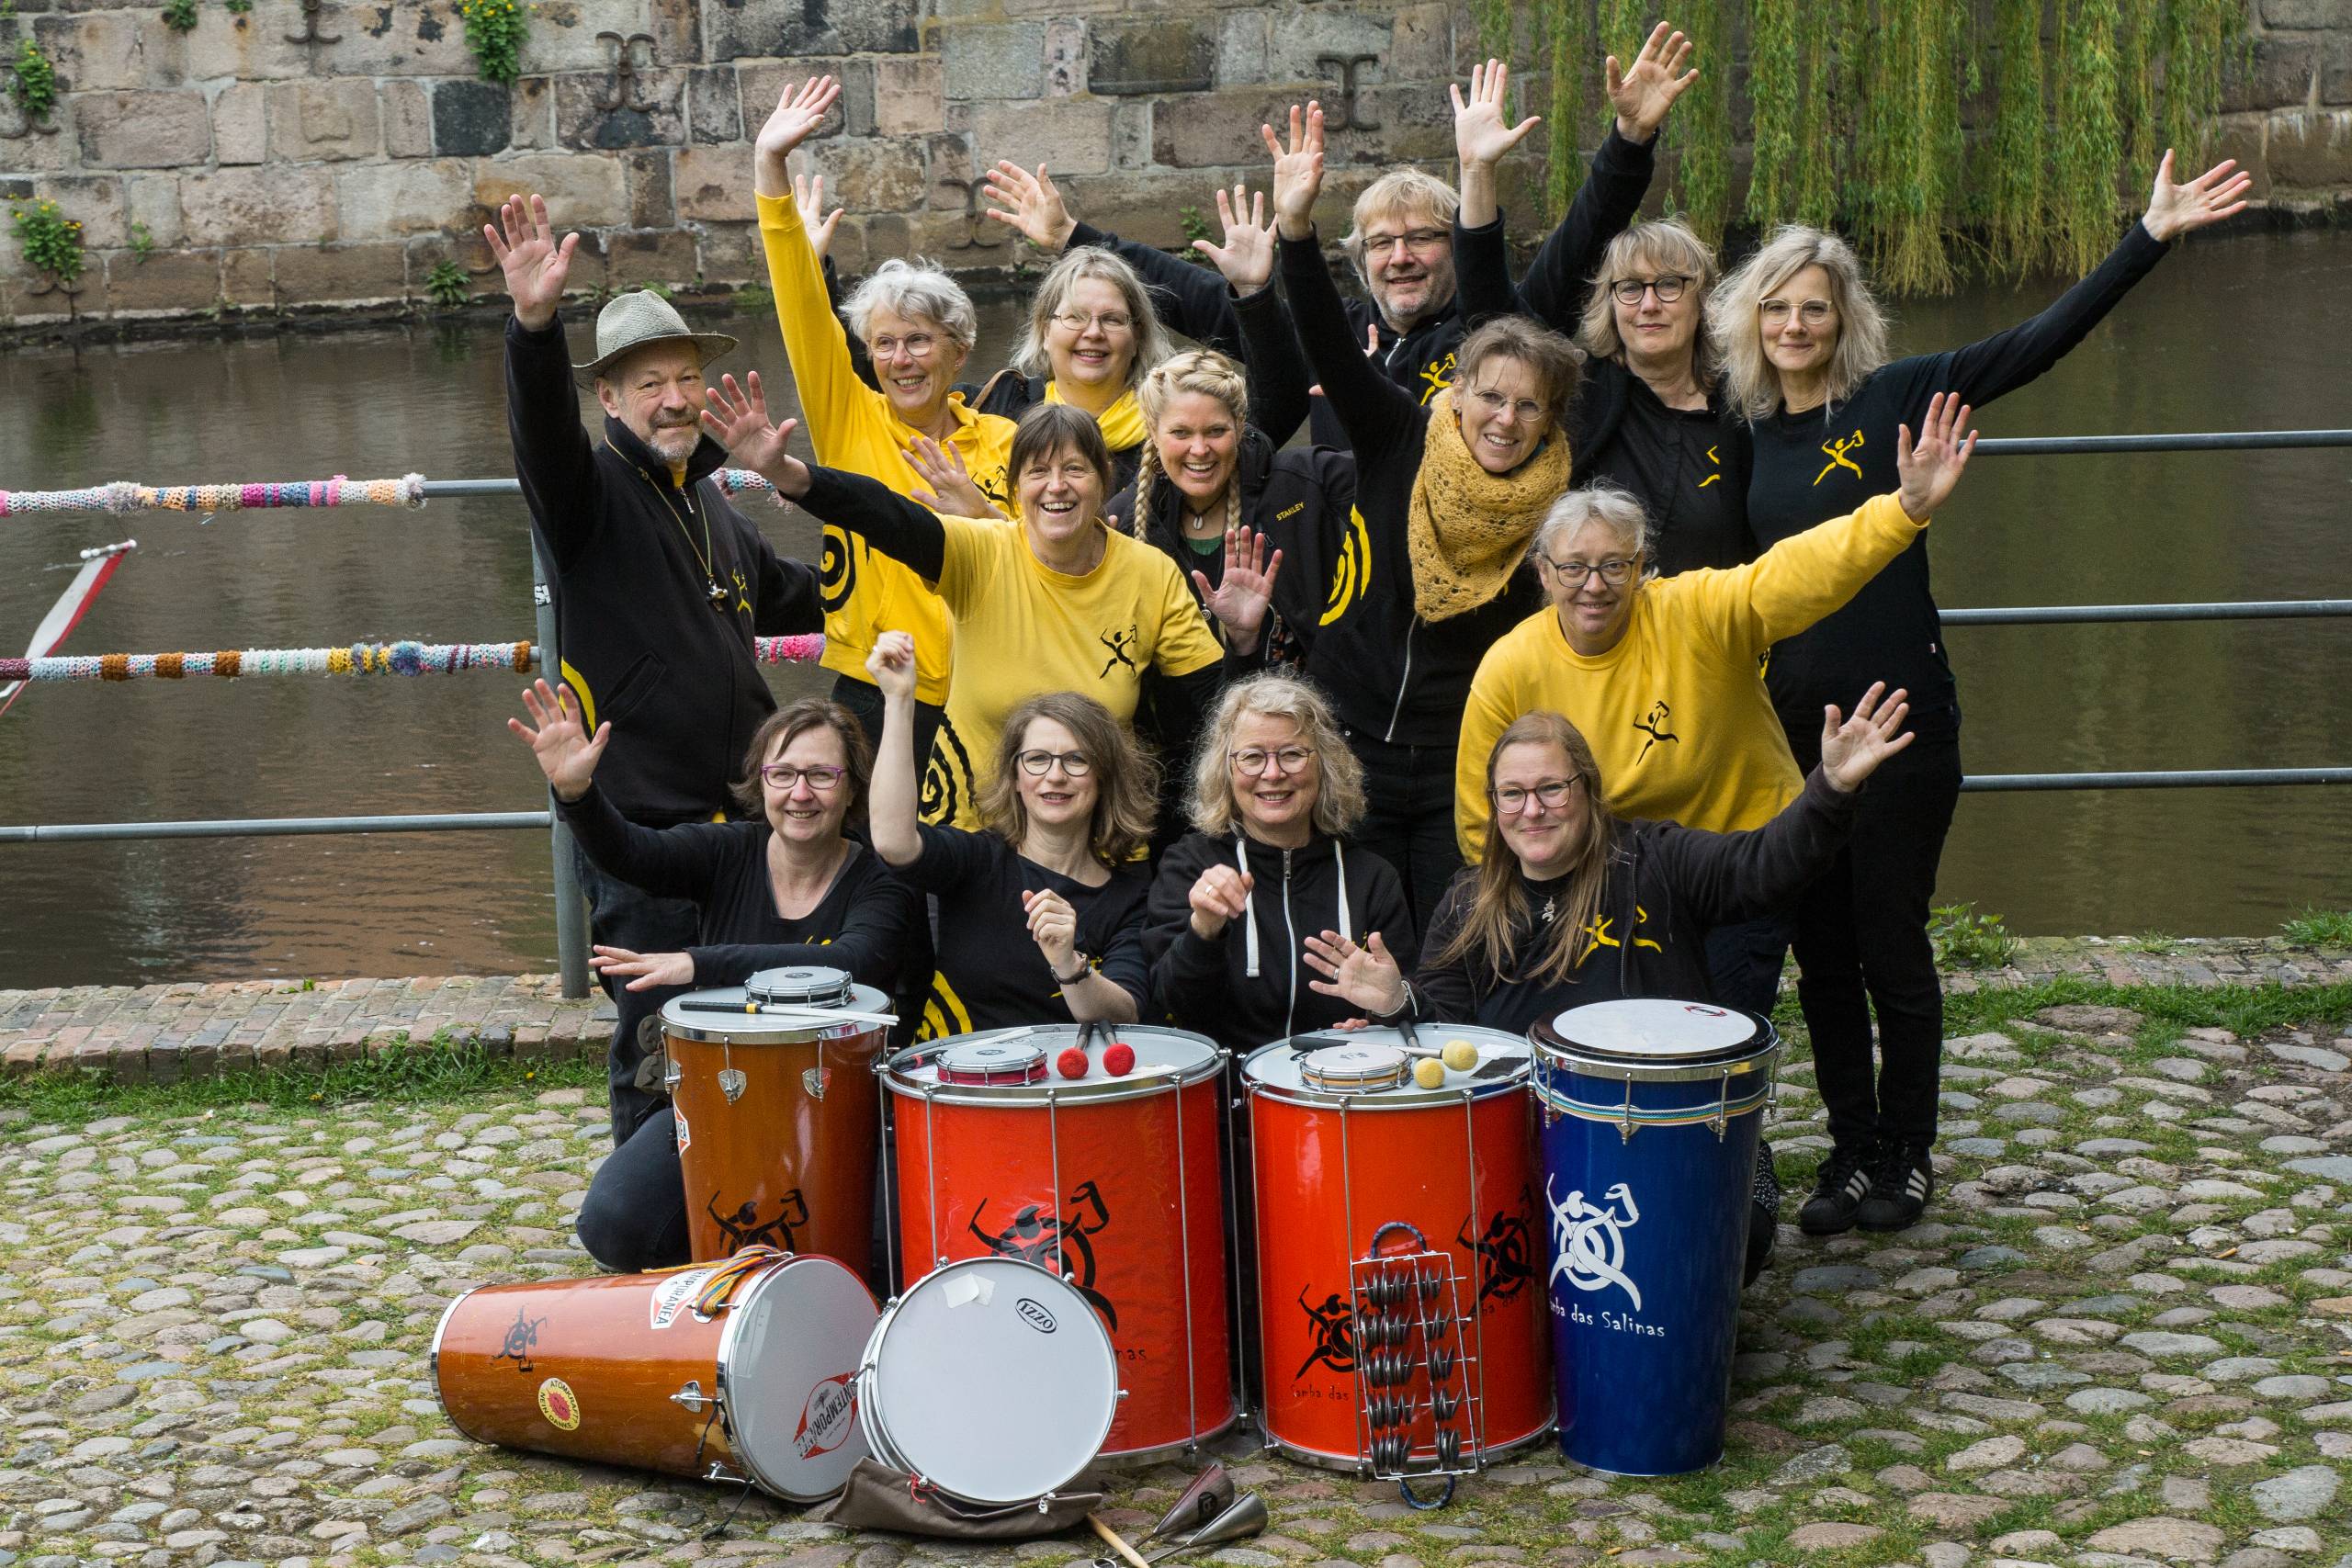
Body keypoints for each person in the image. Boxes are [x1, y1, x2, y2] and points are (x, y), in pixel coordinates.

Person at [1707, 152, 2252, 1235]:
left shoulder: (1898, 398)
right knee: (1821, 957)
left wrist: (2147, 237)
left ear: (1844, 318)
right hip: (1795, 738)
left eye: (1813, 307)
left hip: (1902, 719)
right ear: (1750, 322)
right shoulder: (1741, 434)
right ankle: (1847, 1153)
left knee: (1891, 944)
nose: (1794, 325)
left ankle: (1905, 1153)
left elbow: (2035, 344)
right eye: (1775, 308)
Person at [1303, 693, 1915, 1284]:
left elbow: (1763, 865)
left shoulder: (1658, 860)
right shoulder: (1470, 900)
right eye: (1512, 794)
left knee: (1727, 1249)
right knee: (1503, 1263)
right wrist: (1397, 1000)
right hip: (1530, 1146)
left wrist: (1830, 790)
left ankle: (1739, 1198)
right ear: (1494, 804)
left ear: (1587, 790)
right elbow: (1445, 1023)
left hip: (1671, 1133)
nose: (1532, 810)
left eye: (1552, 788)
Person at [1454, 394, 1980, 1019]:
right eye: (1573, 568)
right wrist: (1535, 909)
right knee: (1624, 1034)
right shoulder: (1510, 667)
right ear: (1543, 574)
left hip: (1740, 861)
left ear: (1642, 567)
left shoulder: (1696, 611)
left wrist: (1904, 509)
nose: (1594, 585)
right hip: (1609, 881)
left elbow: (1798, 572)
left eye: (1614, 566)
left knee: (1718, 1031)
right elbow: (1482, 819)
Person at [488, 191, 823, 1117]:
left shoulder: (710, 500)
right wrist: (532, 327)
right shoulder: (587, 497)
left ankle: (748, 1189)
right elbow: (541, 436)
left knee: (748, 1046)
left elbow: (804, 590)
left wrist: (909, 540)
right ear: (608, 399)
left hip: (742, 830)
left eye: (685, 377)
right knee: (657, 1056)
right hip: (640, 833)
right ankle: (647, 1200)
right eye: (648, 384)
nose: (675, 398)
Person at [1271, 100, 1583, 935]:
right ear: (1459, 392)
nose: (1505, 421)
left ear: (1549, 419)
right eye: (1490, 398)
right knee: (1355, 934)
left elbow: (1499, 308)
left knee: (1461, 934)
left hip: (1466, 743)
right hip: (1357, 726)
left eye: (1527, 406)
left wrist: (1480, 176)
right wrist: (1294, 229)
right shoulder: (1398, 433)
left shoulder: (1556, 494)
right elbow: (1328, 344)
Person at [701, 380, 1261, 829]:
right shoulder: (981, 551)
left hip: (1096, 833)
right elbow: (885, 514)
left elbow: (1214, 711)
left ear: (1103, 479)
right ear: (1016, 488)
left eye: (1074, 469)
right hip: (972, 828)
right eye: (1037, 471)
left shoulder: (1149, 572)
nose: (1057, 486)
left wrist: (1243, 642)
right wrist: (789, 473)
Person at [506, 679, 923, 1272]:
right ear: (761, 781)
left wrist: (699, 963)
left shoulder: (882, 881)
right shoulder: (730, 850)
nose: (800, 793)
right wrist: (576, 793)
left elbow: (853, 961)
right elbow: (632, 854)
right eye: (783, 774)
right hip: (722, 1098)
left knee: (884, 1256)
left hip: (845, 1109)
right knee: (614, 1227)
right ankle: (733, 1256)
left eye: (821, 775)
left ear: (852, 785)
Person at [752, 74, 1018, 765]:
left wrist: (983, 515)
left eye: (920, 340)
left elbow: (1042, 561)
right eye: (885, 344)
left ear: (959, 351)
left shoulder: (1007, 440)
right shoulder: (850, 419)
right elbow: (803, 315)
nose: (901, 360)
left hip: (989, 687)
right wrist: (770, 167)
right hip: (875, 687)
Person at [1446, 41, 1748, 574]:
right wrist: (1477, 173)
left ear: (1702, 300)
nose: (1648, 304)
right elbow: (1496, 330)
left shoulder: (1745, 406)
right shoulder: (1579, 396)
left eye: (1669, 285)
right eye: (1629, 288)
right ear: (1609, 305)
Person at [866, 631, 1156, 1036]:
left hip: (1072, 1075)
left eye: (1076, 760)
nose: (1055, 775)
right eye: (1037, 759)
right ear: (1015, 778)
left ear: (1105, 777)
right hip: (958, 1069)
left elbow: (1124, 1013)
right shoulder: (977, 860)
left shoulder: (1129, 896)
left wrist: (1069, 963)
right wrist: (899, 701)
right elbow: (893, 842)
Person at [1145, 674, 1412, 1050]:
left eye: (1292, 754)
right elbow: (1173, 1007)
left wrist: (1387, 1010)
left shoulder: (1372, 878)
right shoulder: (1190, 866)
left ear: (1325, 765)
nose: (1272, 773)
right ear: (1226, 770)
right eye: (1252, 757)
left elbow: (1409, 1015)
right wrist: (1203, 931)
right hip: (1230, 1081)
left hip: (1344, 1077)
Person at [981, 165, 1313, 448]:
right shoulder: (996, 407)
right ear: (1044, 330)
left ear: (1138, 335)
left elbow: (1283, 399)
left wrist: (1253, 293)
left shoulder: (1181, 434)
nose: (1093, 332)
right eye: (1075, 317)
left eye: (1113, 320)